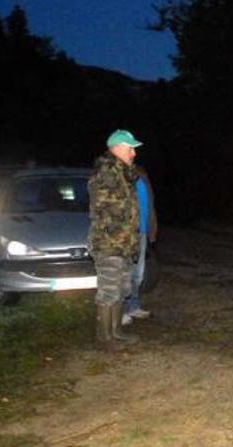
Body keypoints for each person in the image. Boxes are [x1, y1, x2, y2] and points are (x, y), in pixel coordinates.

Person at [88, 129, 143, 350]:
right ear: (118, 148)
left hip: (123, 244)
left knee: (121, 289)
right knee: (109, 291)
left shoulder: (123, 173)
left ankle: (116, 332)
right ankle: (104, 339)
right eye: (130, 148)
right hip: (109, 243)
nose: (133, 153)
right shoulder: (107, 172)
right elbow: (106, 210)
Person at [122, 165, 158, 325]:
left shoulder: (142, 175)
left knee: (138, 274)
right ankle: (121, 310)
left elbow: (149, 204)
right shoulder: (118, 176)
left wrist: (152, 228)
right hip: (126, 233)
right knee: (125, 273)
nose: (132, 153)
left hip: (142, 231)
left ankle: (133, 306)